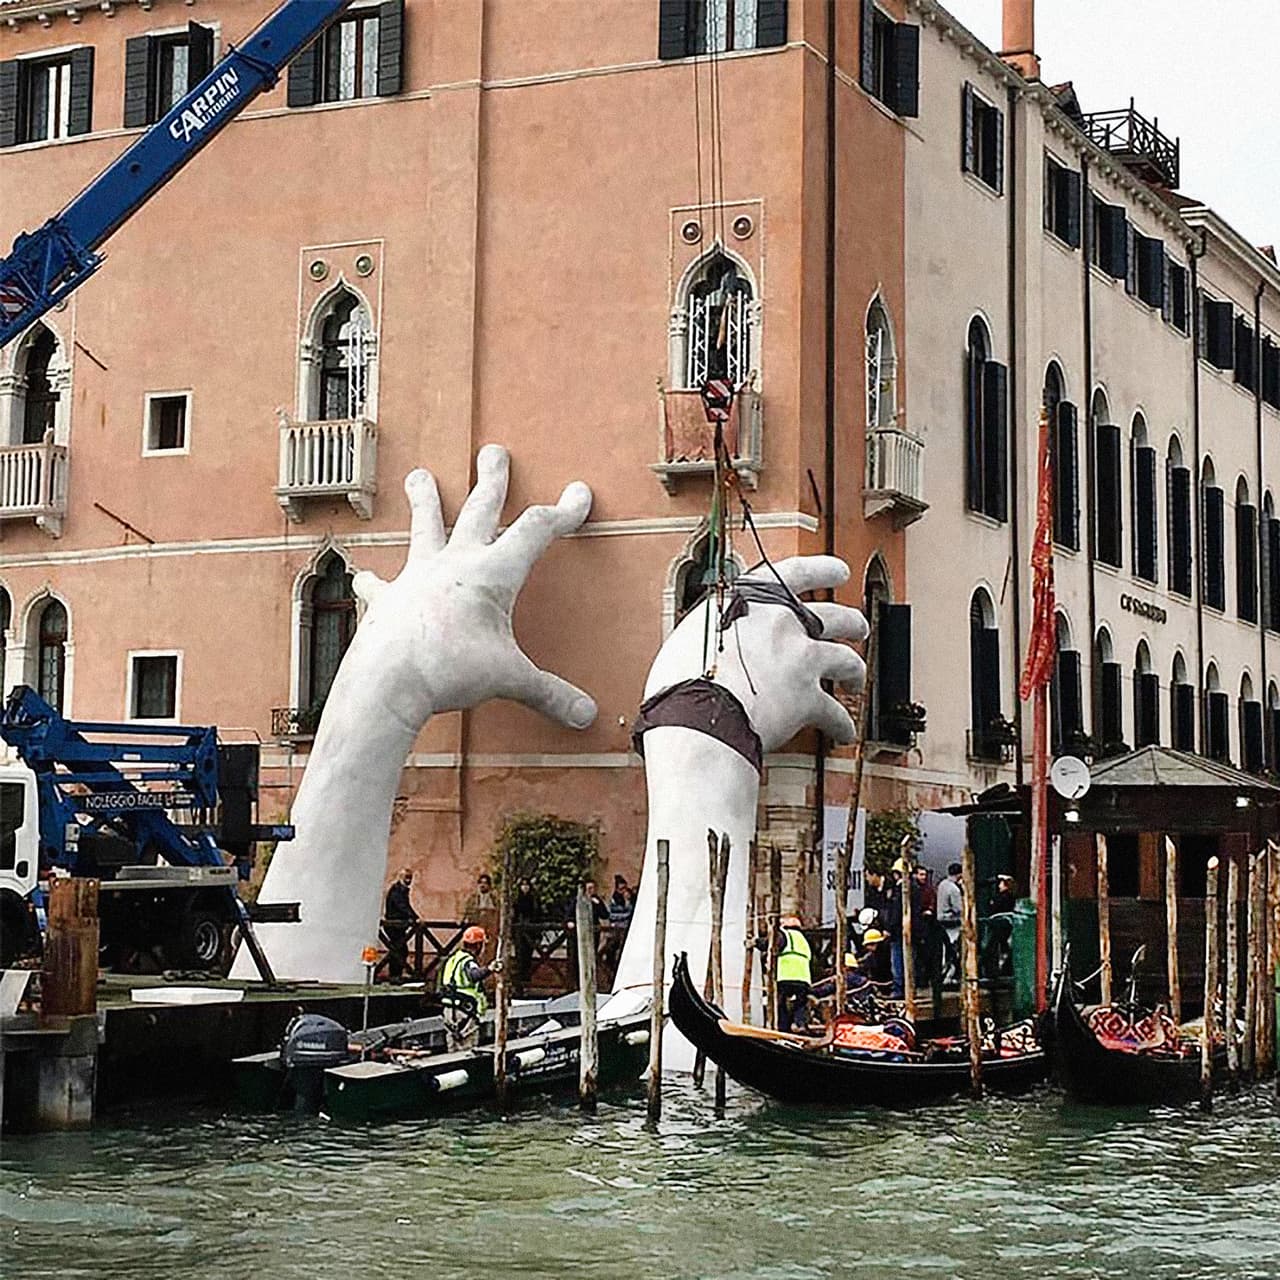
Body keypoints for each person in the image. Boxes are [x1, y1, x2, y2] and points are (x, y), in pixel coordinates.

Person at [439, 925, 501, 1051]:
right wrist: (490, 968)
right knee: (467, 1048)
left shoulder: (453, 959)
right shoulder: (468, 961)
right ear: (478, 945)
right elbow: (474, 975)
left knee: (453, 1048)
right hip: (464, 1011)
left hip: (449, 1010)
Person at [773, 914, 813, 1032]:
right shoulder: (804, 940)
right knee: (800, 1004)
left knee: (781, 1005)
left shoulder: (785, 935)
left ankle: (783, 1029)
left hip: (786, 976)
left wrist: (755, 942)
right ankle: (799, 1024)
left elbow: (771, 945)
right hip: (803, 978)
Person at [382, 867, 418, 981]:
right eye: (407, 878)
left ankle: (396, 973)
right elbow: (402, 906)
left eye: (410, 878)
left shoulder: (401, 890)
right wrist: (413, 917)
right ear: (401, 878)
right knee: (398, 949)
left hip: (398, 925)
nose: (409, 881)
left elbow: (405, 906)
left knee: (399, 949)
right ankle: (395, 974)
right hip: (394, 925)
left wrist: (413, 917)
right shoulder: (397, 891)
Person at [936, 863, 964, 986]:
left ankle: (941, 976)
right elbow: (959, 908)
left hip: (940, 921)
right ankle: (949, 977)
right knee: (953, 951)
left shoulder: (942, 885)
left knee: (943, 951)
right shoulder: (954, 889)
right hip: (952, 923)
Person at [512, 876, 540, 993]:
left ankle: (526, 983)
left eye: (527, 885)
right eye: (523, 886)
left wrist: (538, 933)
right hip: (519, 932)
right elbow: (514, 916)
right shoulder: (517, 900)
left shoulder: (534, 899)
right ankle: (519, 985)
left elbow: (537, 915)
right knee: (520, 958)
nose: (525, 888)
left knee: (528, 958)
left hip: (530, 931)